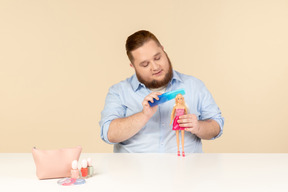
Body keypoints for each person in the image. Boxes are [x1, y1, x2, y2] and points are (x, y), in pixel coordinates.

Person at [99, 30, 224, 153]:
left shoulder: (194, 85)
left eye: (158, 58)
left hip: (186, 170)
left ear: (163, 50)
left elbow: (216, 126)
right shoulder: (119, 92)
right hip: (135, 171)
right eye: (145, 64)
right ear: (133, 66)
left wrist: (199, 127)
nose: (155, 67)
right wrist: (143, 115)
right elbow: (109, 134)